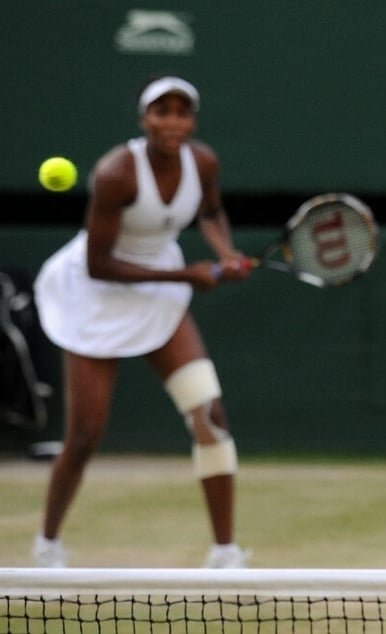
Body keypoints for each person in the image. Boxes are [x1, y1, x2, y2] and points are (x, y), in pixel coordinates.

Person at [31, 75, 252, 568]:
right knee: (85, 435)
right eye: (161, 112)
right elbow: (98, 264)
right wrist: (186, 274)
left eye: (181, 113)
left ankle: (225, 553)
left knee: (210, 416)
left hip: (159, 292)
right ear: (143, 119)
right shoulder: (116, 173)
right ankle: (47, 543)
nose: (172, 122)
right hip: (96, 295)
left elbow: (212, 213)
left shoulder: (203, 161)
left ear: (191, 120)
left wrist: (225, 254)